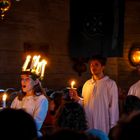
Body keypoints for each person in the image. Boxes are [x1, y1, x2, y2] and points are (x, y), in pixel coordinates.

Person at [69, 55, 119, 134]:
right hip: (89, 123)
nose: (93, 67)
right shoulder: (87, 84)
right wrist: (77, 98)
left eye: (96, 64)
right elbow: (85, 104)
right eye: (91, 65)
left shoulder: (110, 84)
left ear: (103, 67)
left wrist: (113, 127)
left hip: (103, 123)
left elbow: (114, 108)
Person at [11, 55, 49, 137]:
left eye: (27, 79)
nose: (23, 82)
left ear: (36, 82)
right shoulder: (18, 98)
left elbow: (36, 124)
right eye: (22, 78)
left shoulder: (41, 99)